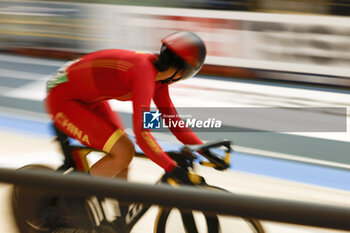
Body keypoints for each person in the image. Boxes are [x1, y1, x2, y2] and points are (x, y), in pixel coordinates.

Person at [45, 31, 206, 184]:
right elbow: (142, 135)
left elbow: (173, 122)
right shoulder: (143, 73)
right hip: (63, 100)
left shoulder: (158, 81)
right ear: (182, 72)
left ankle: (121, 213)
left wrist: (204, 151)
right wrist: (172, 168)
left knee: (122, 160)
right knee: (123, 151)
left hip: (84, 97)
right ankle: (76, 200)